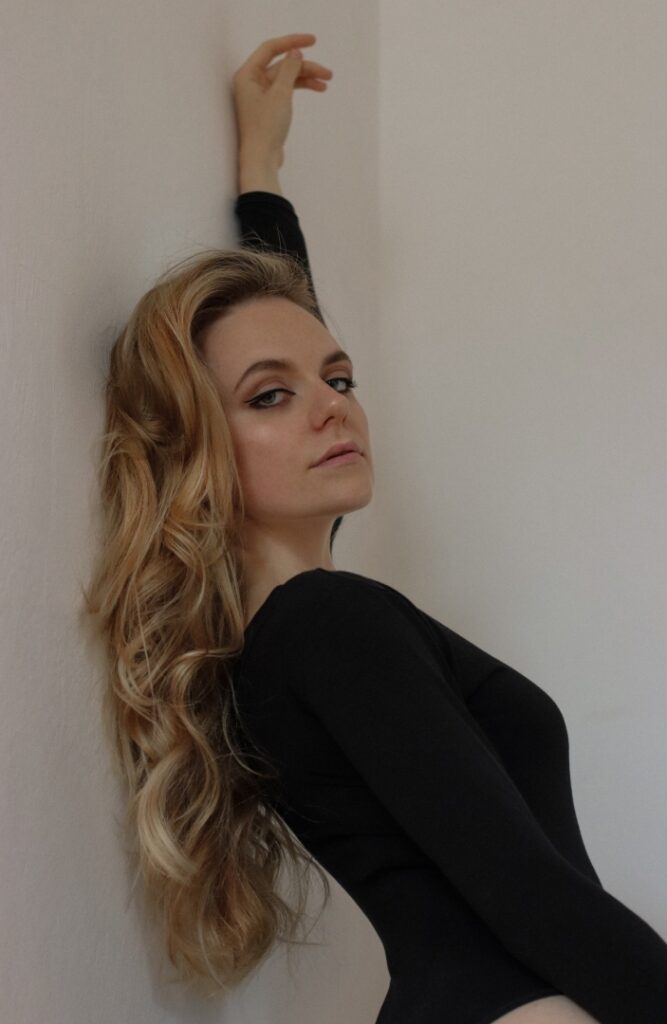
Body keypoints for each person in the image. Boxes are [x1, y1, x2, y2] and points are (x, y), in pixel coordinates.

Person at [83, 33, 667, 1024]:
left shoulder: (287, 632)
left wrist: (262, 171)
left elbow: (287, 334)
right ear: (197, 450)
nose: (332, 407)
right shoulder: (328, 623)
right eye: (271, 396)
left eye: (341, 378)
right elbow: (528, 890)